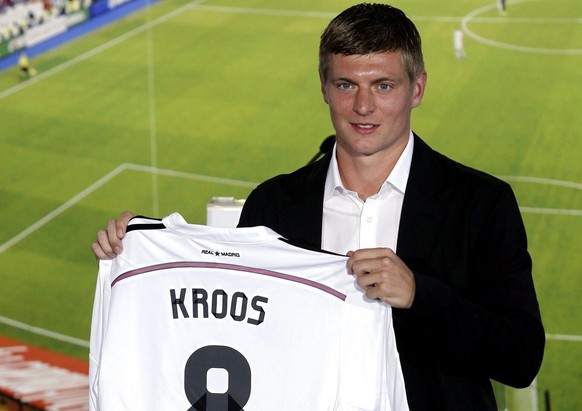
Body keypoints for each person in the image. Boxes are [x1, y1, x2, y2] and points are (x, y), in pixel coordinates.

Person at [92, 3, 545, 410]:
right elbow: (228, 324)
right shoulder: (274, 205)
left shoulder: (480, 203)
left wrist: (418, 296)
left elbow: (521, 357)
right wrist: (138, 250)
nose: (363, 106)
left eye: (383, 85)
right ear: (324, 87)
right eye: (346, 84)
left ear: (417, 89)